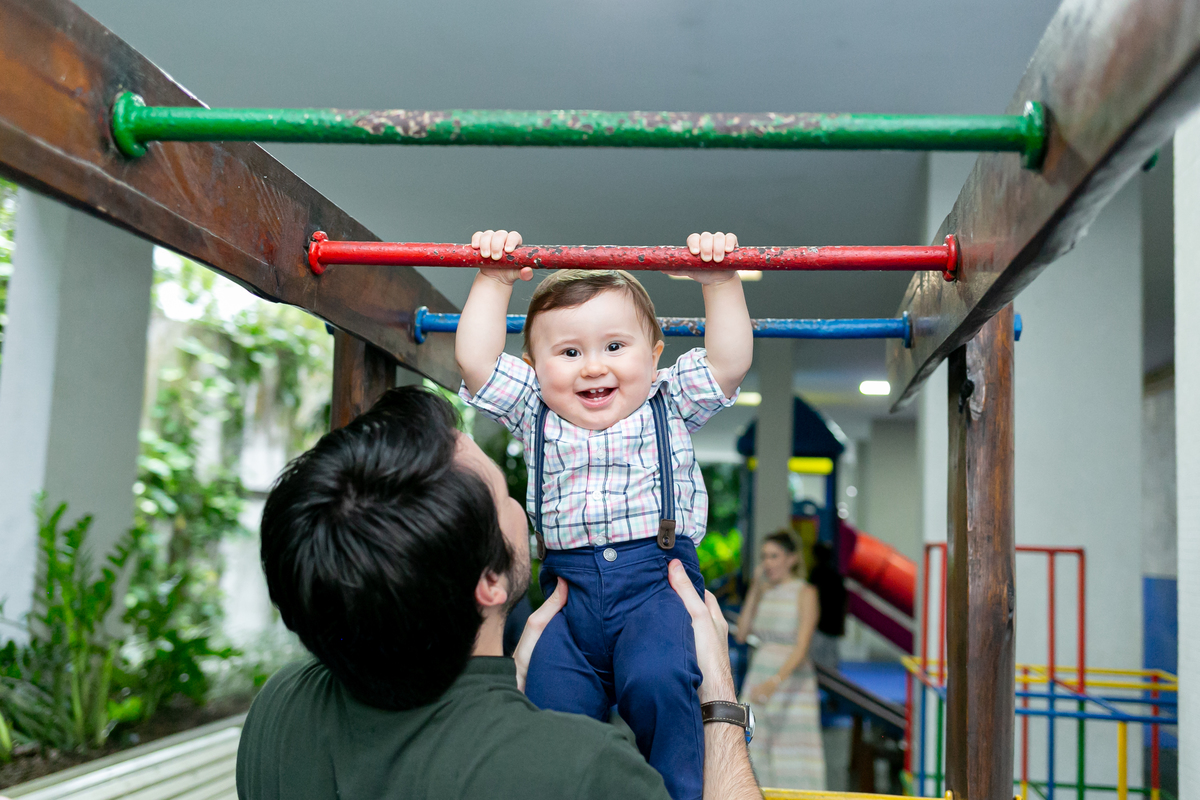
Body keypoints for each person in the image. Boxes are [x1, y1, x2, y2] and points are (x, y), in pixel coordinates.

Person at [236, 386, 760, 800]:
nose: (524, 511)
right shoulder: (582, 770)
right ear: (488, 582)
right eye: (507, 494)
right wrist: (718, 699)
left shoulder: (277, 710)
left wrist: (508, 684)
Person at [455, 229, 753, 800]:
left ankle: (683, 793)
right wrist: (493, 279)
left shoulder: (669, 402)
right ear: (534, 365)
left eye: (615, 347)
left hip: (655, 588)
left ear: (655, 353)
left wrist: (721, 282)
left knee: (664, 682)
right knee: (547, 698)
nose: (593, 367)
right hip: (568, 599)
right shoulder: (533, 410)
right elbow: (475, 361)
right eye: (569, 352)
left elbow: (729, 361)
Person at [735, 530, 826, 789]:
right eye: (765, 556)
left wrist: (774, 683)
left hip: (790, 682)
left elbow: (802, 647)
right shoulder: (765, 591)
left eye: (774, 556)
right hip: (760, 675)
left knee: (793, 753)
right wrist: (754, 588)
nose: (768, 562)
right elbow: (741, 634)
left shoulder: (805, 592)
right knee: (751, 742)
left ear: (792, 559)